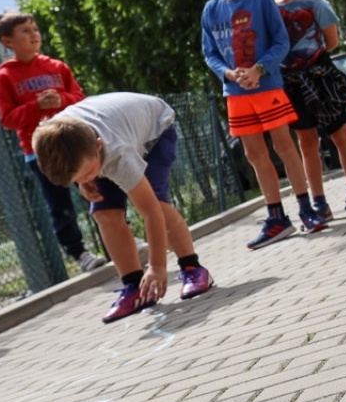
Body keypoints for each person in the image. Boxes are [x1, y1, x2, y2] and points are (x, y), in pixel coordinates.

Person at [32, 93, 212, 324]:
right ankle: (135, 287)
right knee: (104, 213)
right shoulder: (57, 144)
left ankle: (192, 268)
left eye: (88, 173)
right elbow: (80, 166)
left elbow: (150, 213)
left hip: (155, 132)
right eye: (78, 177)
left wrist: (157, 267)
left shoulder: (117, 154)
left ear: (98, 148)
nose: (87, 178)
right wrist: (83, 181)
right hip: (111, 133)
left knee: (157, 204)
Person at [200, 0, 327, 246]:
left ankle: (306, 208)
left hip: (267, 87)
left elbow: (281, 41)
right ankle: (275, 217)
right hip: (236, 94)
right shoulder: (210, 10)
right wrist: (229, 74)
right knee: (254, 154)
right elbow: (210, 53)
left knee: (285, 147)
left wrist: (259, 69)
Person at [0, 11, 107, 273]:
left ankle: (118, 238)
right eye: (26, 31)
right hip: (39, 152)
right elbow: (7, 118)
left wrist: (62, 100)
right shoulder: (4, 77)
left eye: (35, 29)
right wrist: (36, 106)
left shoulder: (56, 67)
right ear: (8, 41)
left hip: (77, 143)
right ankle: (80, 253)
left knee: (99, 187)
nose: (34, 35)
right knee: (60, 204)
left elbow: (80, 98)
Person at [269, 0, 346, 218]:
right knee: (307, 141)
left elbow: (332, 42)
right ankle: (319, 201)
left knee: (340, 133)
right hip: (291, 83)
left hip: (320, 76)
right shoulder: (270, 8)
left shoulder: (316, 4)